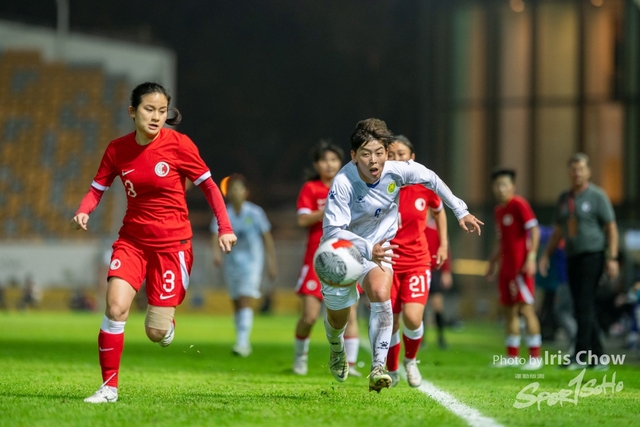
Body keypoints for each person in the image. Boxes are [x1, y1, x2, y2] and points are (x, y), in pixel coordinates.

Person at [71, 82, 237, 403]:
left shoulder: (179, 145)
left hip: (172, 246)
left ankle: (166, 322)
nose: (156, 117)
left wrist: (224, 227)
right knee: (115, 307)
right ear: (132, 112)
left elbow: (210, 187)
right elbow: (96, 188)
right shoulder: (117, 149)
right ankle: (109, 388)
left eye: (162, 111)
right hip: (132, 241)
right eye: (149, 109)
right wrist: (83, 211)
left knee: (155, 332)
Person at [321, 118, 483, 392]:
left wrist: (461, 211)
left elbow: (432, 179)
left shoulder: (397, 171)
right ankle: (337, 347)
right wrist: (366, 247)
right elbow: (332, 231)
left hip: (380, 250)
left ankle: (378, 367)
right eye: (366, 154)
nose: (374, 160)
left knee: (381, 294)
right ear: (354, 156)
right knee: (339, 319)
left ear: (386, 152)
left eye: (379, 153)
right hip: (342, 251)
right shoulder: (344, 182)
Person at [539, 153, 619, 370]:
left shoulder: (597, 196)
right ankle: (598, 357)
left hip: (593, 255)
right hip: (572, 256)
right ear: (569, 172)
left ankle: (580, 355)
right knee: (582, 307)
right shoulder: (564, 198)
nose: (577, 173)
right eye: (574, 169)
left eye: (581, 169)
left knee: (583, 305)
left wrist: (612, 258)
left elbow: (611, 227)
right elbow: (558, 230)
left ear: (588, 172)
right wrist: (546, 255)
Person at [384, 135, 450, 388]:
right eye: (391, 155)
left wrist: (443, 244)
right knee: (390, 319)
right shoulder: (378, 186)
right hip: (387, 263)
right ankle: (392, 369)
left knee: (412, 318)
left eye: (401, 154)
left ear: (412, 158)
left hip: (417, 262)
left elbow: (439, 211)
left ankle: (410, 361)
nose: (396, 159)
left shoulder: (425, 185)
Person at [293, 141, 362, 377]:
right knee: (309, 316)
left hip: (346, 258)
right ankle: (300, 358)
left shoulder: (350, 186)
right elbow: (302, 219)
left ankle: (350, 364)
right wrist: (329, 209)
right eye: (324, 160)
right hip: (317, 259)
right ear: (316, 164)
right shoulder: (311, 188)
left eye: (334, 160)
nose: (329, 164)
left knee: (350, 313)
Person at [211, 174, 277, 357]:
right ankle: (241, 339)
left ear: (246, 192)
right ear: (228, 193)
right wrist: (216, 254)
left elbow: (267, 238)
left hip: (252, 263)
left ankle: (243, 342)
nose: (236, 192)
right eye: (233, 189)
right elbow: (214, 233)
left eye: (239, 189)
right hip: (231, 262)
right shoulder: (224, 212)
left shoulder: (255, 213)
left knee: (244, 299)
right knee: (235, 301)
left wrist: (272, 263)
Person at [485, 168, 542, 370]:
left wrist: (532, 257)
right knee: (508, 310)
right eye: (497, 185)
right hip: (506, 269)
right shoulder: (499, 210)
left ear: (512, 186)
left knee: (525, 309)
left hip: (521, 269)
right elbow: (502, 241)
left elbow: (534, 230)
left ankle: (535, 357)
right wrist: (492, 262)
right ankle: (512, 356)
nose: (501, 189)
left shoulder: (519, 204)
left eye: (504, 185)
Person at [425, 214, 453, 350]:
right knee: (419, 307)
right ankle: (420, 339)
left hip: (435, 271)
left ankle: (441, 337)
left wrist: (446, 271)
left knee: (437, 305)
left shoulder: (436, 227)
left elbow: (445, 249)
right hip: (419, 270)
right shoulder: (416, 226)